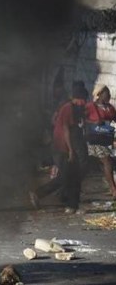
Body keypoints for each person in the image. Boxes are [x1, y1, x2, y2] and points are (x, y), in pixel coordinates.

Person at [29, 84, 87, 214]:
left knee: (72, 175)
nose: (84, 102)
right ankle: (39, 194)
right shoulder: (68, 108)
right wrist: (71, 150)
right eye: (82, 99)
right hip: (61, 147)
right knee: (65, 176)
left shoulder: (75, 108)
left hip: (66, 146)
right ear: (77, 98)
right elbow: (66, 129)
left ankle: (71, 204)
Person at [84, 84, 116, 197]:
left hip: (107, 139)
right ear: (99, 95)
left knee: (85, 169)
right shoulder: (90, 106)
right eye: (106, 93)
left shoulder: (110, 108)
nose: (109, 96)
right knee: (107, 162)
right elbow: (82, 120)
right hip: (95, 140)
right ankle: (113, 189)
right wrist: (93, 122)